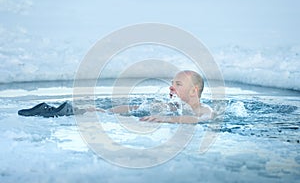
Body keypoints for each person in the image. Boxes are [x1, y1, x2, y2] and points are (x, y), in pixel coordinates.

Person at [18, 70, 213, 123]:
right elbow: (138, 109)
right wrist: (106, 112)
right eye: (172, 83)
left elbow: (197, 121)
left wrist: (165, 119)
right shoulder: (171, 107)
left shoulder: (205, 110)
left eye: (178, 84)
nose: (171, 87)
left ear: (193, 91)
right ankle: (74, 110)